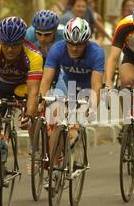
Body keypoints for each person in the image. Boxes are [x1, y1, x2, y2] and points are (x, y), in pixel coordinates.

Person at [0, 16, 43, 203]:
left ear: (23, 40)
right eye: (6, 45)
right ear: (0, 41)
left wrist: (29, 114)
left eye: (15, 45)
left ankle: (36, 149)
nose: (10, 49)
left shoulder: (34, 55)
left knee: (32, 116)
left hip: (21, 87)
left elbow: (33, 91)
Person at [39, 17, 104, 188]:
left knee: (76, 121)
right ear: (65, 40)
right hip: (66, 82)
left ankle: (74, 137)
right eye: (71, 44)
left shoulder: (96, 52)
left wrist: (92, 106)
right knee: (55, 118)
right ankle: (53, 169)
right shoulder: (57, 49)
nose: (74, 48)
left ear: (87, 42)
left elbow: (97, 85)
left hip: (86, 86)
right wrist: (42, 99)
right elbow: (46, 79)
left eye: (79, 44)